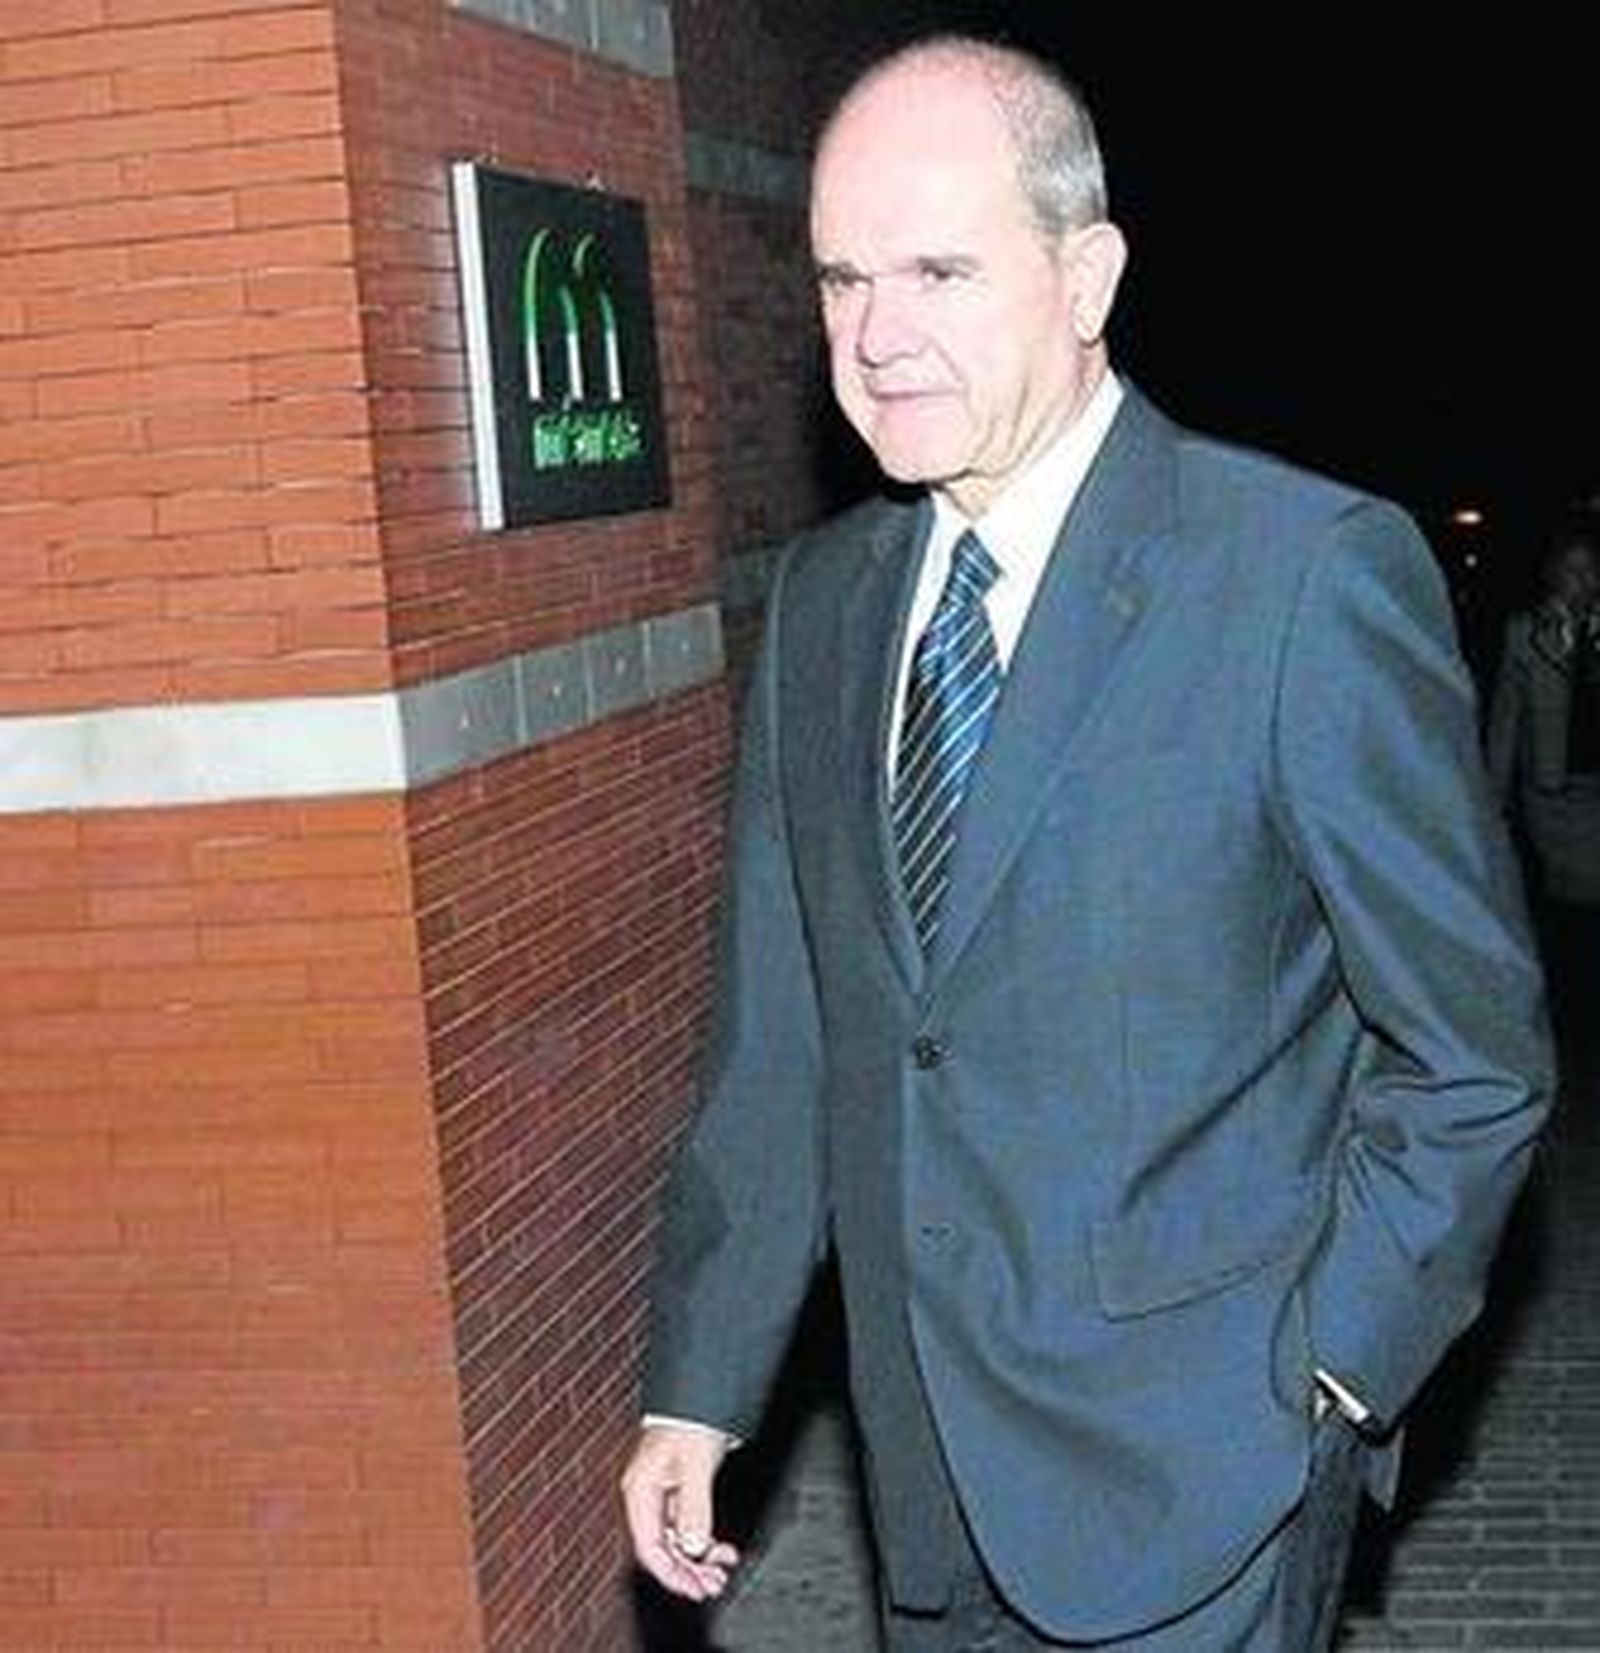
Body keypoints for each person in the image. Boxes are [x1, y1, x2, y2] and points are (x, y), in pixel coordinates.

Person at [621, 35, 1552, 1651]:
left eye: (938, 269)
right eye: (843, 278)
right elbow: (786, 1043)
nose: (877, 334)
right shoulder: (829, 608)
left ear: (1087, 275)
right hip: (925, 1482)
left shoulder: (1299, 575)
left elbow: (1472, 1051)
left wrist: (1335, 1369)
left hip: (1207, 1484)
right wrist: (699, 1390)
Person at [1487, 517, 1600, 1039]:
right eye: (1573, 572)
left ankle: (1576, 1002)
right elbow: (1505, 723)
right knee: (1574, 895)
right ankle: (1569, 1007)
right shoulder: (1525, 635)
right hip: (1552, 797)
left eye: (1591, 571)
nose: (1584, 583)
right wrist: (1493, 803)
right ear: (1555, 575)